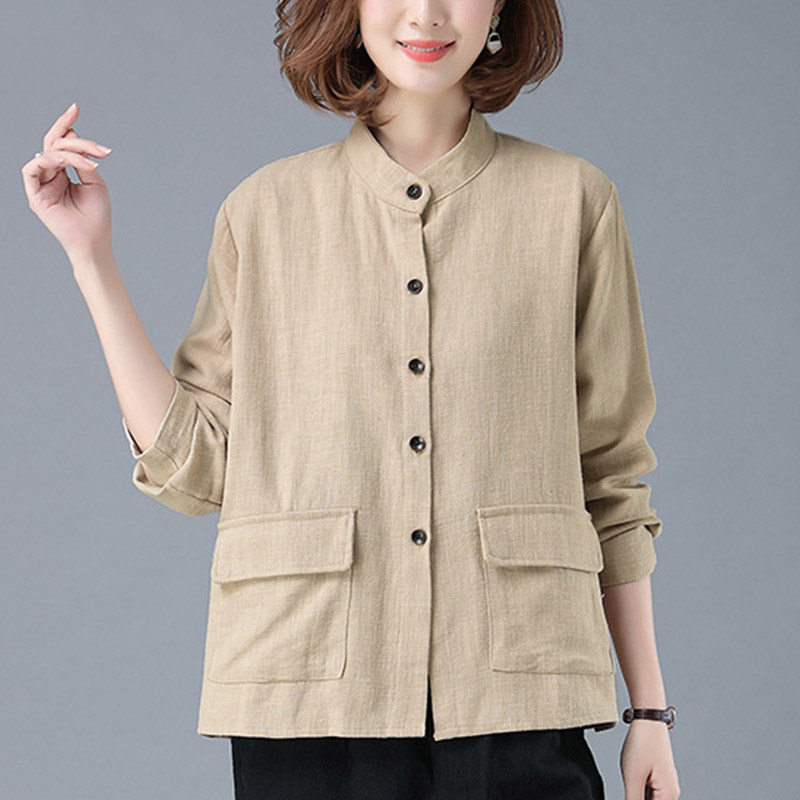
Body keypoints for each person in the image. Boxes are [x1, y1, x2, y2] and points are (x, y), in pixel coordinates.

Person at [22, 1, 682, 798]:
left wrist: (650, 713)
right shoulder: (263, 212)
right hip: (307, 694)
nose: (426, 14)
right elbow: (196, 469)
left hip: (522, 689)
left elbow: (609, 477)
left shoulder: (573, 202)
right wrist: (91, 260)